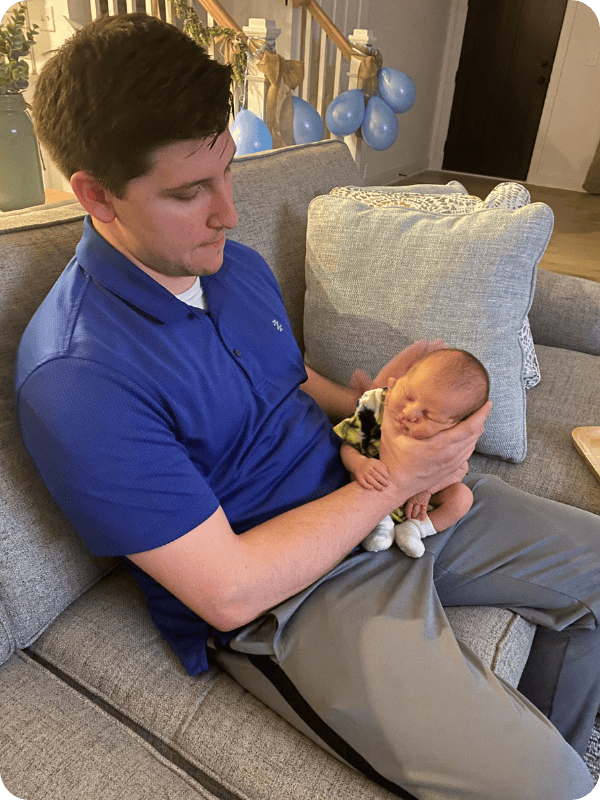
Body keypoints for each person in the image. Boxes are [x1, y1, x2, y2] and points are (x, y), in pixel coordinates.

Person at [15, 12, 600, 800]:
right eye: (190, 191)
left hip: (379, 489)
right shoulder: (76, 378)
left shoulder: (232, 265)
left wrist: (378, 407)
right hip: (295, 592)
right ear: (96, 195)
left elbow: (291, 385)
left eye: (227, 169)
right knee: (550, 788)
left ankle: (534, 731)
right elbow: (229, 589)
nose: (228, 211)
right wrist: (393, 481)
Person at [335, 348, 489, 556]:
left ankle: (415, 529)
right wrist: (359, 464)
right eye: (408, 396)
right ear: (400, 379)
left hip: (417, 505)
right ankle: (380, 523)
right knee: (362, 476)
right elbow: (348, 445)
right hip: (375, 489)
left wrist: (425, 490)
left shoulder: (446, 440)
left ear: (453, 425)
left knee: (462, 498)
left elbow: (459, 469)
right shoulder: (375, 405)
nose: (409, 413)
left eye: (428, 415)